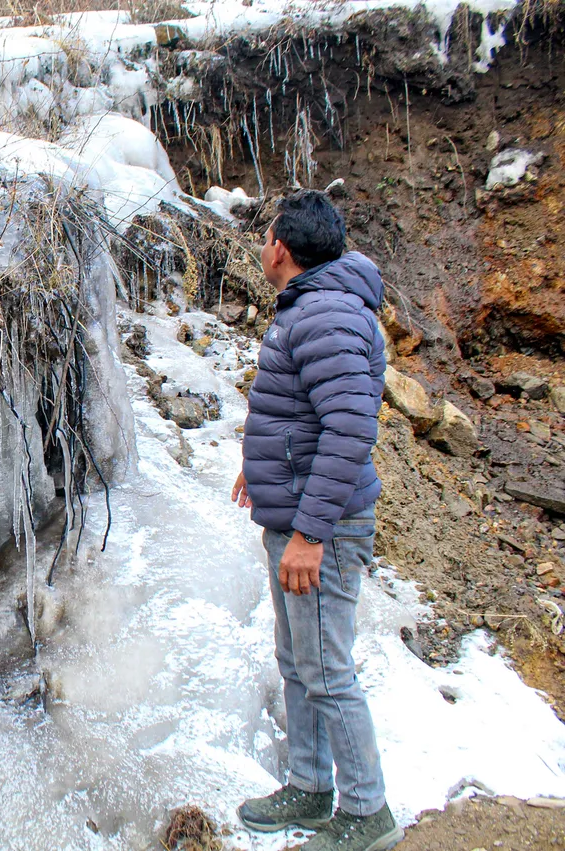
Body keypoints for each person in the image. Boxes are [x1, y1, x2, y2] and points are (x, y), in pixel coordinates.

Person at [230, 190, 402, 851]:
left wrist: (309, 535)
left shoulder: (326, 314)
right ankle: (309, 783)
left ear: (280, 246)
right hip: (298, 508)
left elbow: (350, 428)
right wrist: (262, 465)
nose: (263, 243)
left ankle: (367, 812)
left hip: (319, 526)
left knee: (326, 666)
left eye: (267, 234)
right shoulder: (316, 307)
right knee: (298, 660)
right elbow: (304, 413)